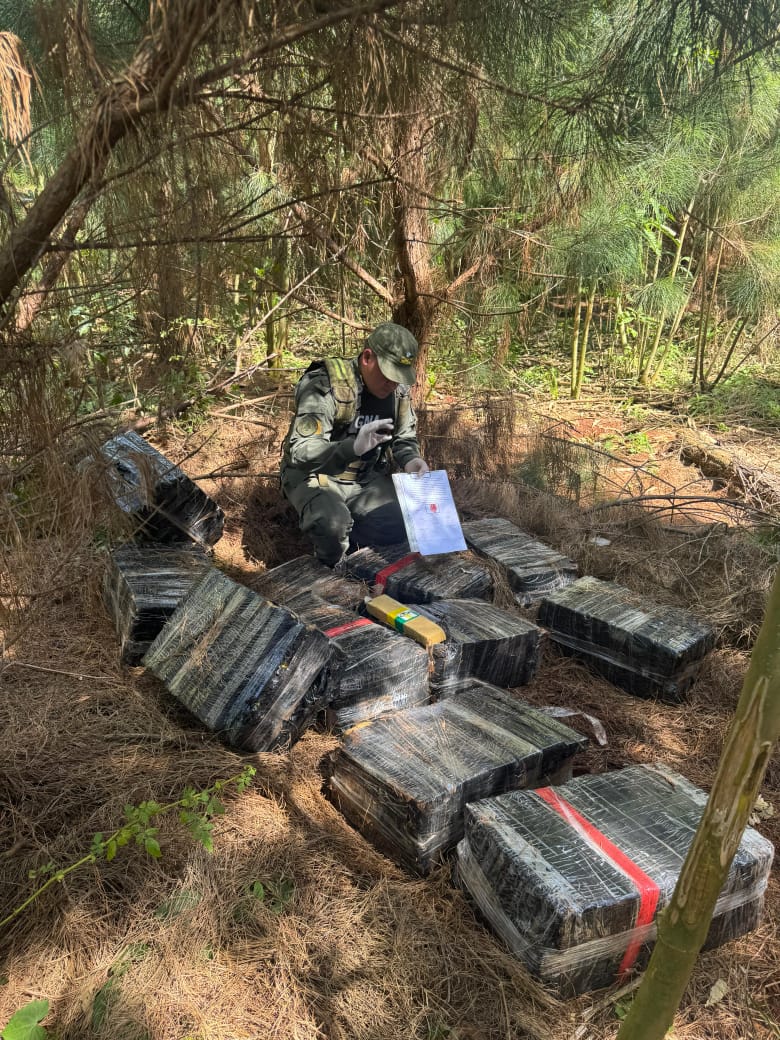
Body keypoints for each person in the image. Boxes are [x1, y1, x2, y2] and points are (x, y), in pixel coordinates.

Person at [280, 322, 430, 567]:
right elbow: (301, 451)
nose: (392, 384)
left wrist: (412, 460)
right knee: (331, 524)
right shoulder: (325, 385)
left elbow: (404, 437)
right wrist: (351, 447)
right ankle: (330, 566)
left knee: (403, 520)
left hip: (365, 478)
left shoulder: (397, 391)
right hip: (318, 476)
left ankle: (354, 545)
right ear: (367, 358)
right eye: (388, 375)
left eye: (398, 377)